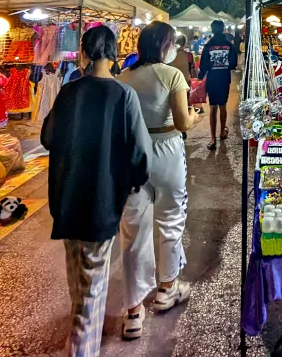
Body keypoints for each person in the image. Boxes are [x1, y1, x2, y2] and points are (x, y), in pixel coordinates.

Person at [41, 26, 151, 356]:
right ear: (115, 55)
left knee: (78, 276)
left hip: (66, 198)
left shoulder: (70, 92)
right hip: (101, 200)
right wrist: (135, 181)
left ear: (85, 55)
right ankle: (81, 347)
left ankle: (80, 336)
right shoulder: (122, 95)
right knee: (91, 280)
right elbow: (140, 154)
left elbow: (48, 137)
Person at [118, 21, 201, 339]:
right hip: (166, 151)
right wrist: (196, 116)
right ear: (165, 46)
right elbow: (181, 121)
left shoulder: (124, 78)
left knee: (133, 232)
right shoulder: (172, 75)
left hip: (134, 156)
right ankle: (167, 289)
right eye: (172, 45)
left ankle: (133, 312)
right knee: (169, 221)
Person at [199, 20, 237, 150]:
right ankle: (222, 132)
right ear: (223, 29)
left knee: (213, 108)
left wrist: (200, 76)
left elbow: (203, 65)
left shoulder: (208, 45)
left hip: (212, 79)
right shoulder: (229, 45)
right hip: (224, 78)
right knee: (223, 106)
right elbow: (233, 63)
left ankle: (213, 139)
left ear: (212, 29)